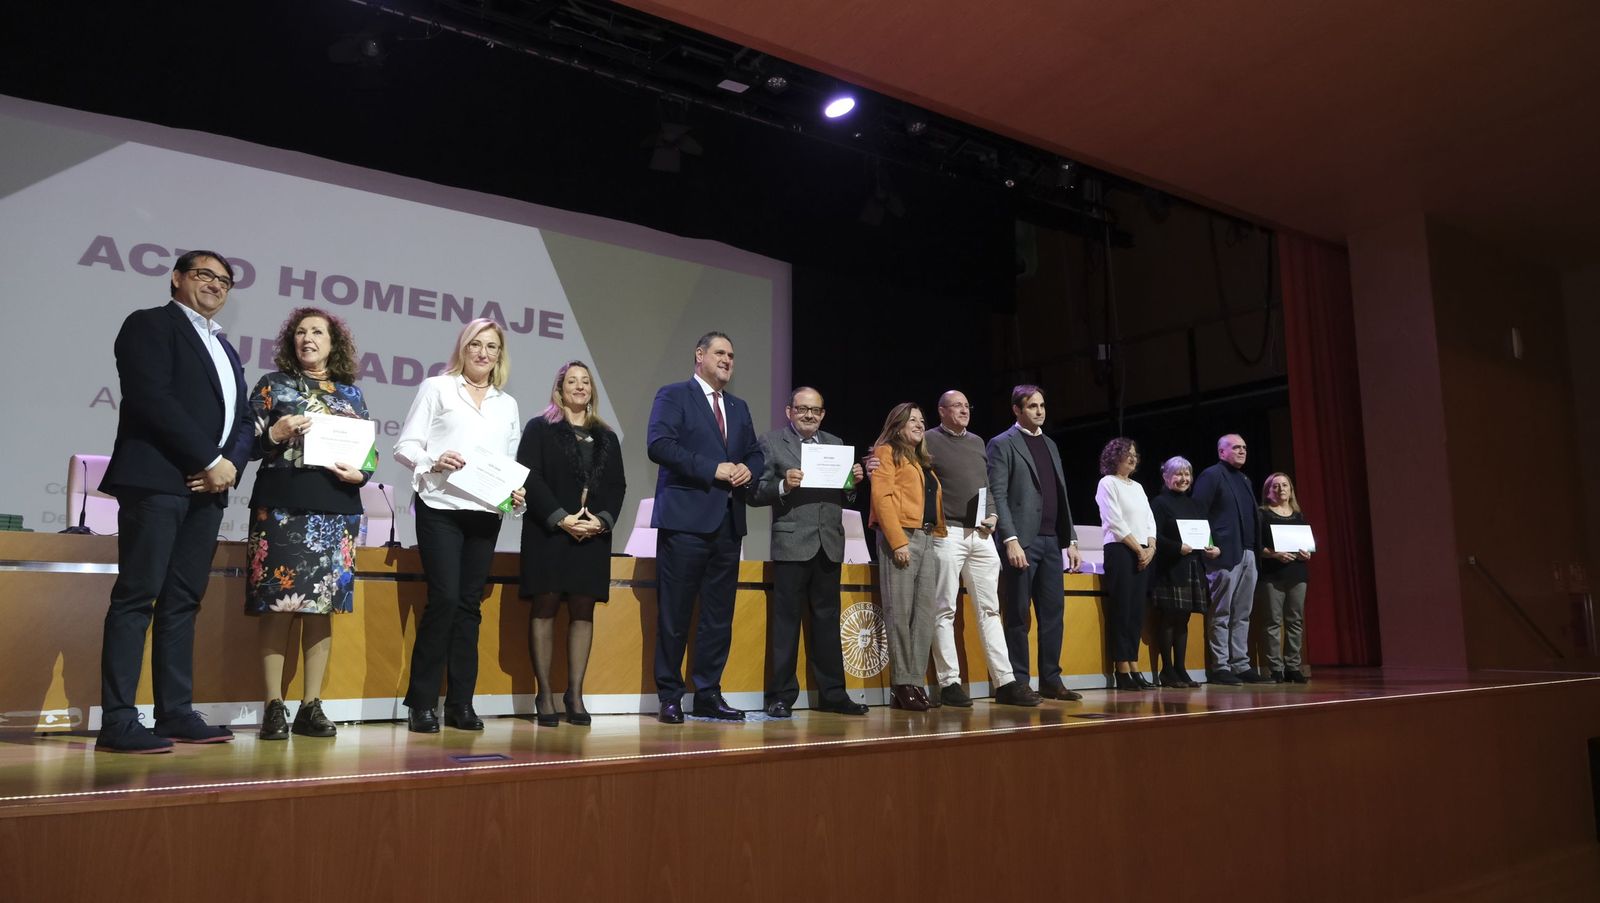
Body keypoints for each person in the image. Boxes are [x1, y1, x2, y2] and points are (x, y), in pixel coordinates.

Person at [97, 250, 253, 753]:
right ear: (176, 279)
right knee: (137, 596)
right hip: (158, 481)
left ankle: (175, 712)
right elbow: (151, 398)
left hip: (208, 491)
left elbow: (244, 418)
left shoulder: (225, 348)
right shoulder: (148, 325)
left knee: (184, 601)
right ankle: (119, 720)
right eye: (205, 275)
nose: (215, 285)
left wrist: (226, 468)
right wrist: (210, 458)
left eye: (224, 280)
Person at [245, 308, 372, 740]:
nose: (308, 338)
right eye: (300, 332)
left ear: (333, 343)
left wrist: (363, 475)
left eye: (317, 332)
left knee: (321, 609)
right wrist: (275, 434)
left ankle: (310, 705)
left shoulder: (351, 395)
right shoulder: (271, 385)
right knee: (279, 607)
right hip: (281, 508)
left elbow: (366, 455)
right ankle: (272, 706)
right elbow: (249, 444)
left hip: (336, 509)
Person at [394, 319, 525, 733]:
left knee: (469, 606)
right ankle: (421, 702)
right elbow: (405, 446)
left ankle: (461, 703)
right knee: (445, 599)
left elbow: (507, 465)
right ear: (463, 348)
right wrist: (433, 460)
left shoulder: (508, 404)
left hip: (485, 513)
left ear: (499, 355)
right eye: (476, 345)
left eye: (492, 347)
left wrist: (514, 494)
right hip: (440, 506)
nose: (483, 353)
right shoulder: (437, 388)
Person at [646, 331, 764, 724]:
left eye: (732, 354)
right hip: (685, 523)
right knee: (675, 614)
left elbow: (755, 454)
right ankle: (670, 695)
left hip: (728, 524)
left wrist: (750, 469)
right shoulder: (674, 394)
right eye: (720, 352)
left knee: (718, 617)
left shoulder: (739, 406)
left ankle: (708, 694)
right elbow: (659, 444)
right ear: (699, 355)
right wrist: (711, 468)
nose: (728, 359)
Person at [747, 387, 869, 718]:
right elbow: (754, 492)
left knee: (827, 622)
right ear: (789, 411)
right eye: (802, 410)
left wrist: (853, 484)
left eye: (815, 411)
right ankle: (781, 696)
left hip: (829, 543)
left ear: (823, 414)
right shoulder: (771, 442)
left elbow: (848, 499)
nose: (809, 416)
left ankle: (833, 694)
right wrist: (784, 485)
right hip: (791, 544)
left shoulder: (837, 444)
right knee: (786, 623)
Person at [516, 360, 626, 727]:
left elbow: (617, 486)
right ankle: (544, 693)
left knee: (583, 610)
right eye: (572, 381)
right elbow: (529, 477)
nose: (580, 387)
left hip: (591, 536)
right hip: (548, 532)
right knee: (545, 606)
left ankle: (574, 694)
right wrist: (560, 518)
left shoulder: (607, 436)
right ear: (559, 389)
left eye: (585, 381)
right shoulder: (540, 428)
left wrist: (602, 520)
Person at [924, 390, 1039, 707]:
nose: (964, 410)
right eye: (957, 406)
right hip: (946, 532)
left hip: (981, 534)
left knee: (990, 610)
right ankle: (949, 683)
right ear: (942, 410)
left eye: (966, 405)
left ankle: (1005, 682)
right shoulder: (929, 440)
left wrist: (993, 515)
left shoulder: (976, 442)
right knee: (944, 609)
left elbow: (986, 487)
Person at [986, 386, 1083, 702]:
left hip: (1052, 540)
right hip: (1023, 541)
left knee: (1053, 612)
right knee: (1017, 614)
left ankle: (1051, 679)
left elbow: (1062, 492)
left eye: (1042, 405)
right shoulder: (1002, 444)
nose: (1039, 411)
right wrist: (1010, 539)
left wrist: (1071, 539)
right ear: (1017, 409)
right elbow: (998, 494)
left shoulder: (1051, 444)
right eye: (1032, 406)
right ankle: (1018, 681)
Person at [868, 403, 948, 711]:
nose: (919, 424)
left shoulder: (922, 460)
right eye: (912, 420)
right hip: (900, 537)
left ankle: (915, 682)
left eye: (921, 420)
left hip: (926, 538)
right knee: (899, 614)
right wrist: (898, 541)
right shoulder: (886, 452)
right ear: (898, 424)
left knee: (924, 616)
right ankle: (901, 685)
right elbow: (882, 498)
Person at [1192, 433, 1270, 685]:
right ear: (1221, 452)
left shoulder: (1245, 479)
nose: (1242, 451)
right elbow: (1198, 514)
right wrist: (1209, 545)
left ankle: (1240, 664)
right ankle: (1220, 666)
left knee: (1243, 613)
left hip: (1248, 553)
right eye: (1236, 447)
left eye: (1244, 447)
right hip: (1224, 556)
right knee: (1222, 612)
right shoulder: (1212, 475)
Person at [1148, 457, 1218, 688]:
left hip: (1192, 567)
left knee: (1183, 620)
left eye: (1187, 474)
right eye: (1178, 474)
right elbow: (1153, 536)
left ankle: (1181, 668)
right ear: (1166, 476)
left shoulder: (1195, 504)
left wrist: (1212, 547)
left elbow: (1204, 534)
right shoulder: (1159, 503)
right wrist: (1177, 547)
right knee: (1169, 618)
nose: (1183, 479)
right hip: (1169, 568)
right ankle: (1167, 671)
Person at [1094, 438, 1158, 690]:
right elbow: (1115, 521)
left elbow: (1149, 519)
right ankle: (1121, 668)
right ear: (1114, 457)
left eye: (1134, 454)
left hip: (1143, 550)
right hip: (1121, 550)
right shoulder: (1107, 483)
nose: (1132, 458)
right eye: (1126, 454)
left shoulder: (1139, 487)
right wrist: (1138, 549)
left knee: (1135, 612)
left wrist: (1151, 548)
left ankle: (1134, 664)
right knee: (1122, 609)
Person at [1256, 472, 1313, 683]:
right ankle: (1275, 668)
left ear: (1291, 491)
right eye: (1276, 486)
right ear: (1268, 491)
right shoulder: (1262, 514)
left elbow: (1305, 545)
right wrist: (1274, 554)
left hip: (1297, 574)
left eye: (1285, 486)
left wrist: (1306, 552)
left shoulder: (1298, 515)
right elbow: (1256, 547)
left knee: (1295, 621)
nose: (1281, 489)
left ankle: (1293, 666)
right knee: (1272, 621)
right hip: (1272, 575)